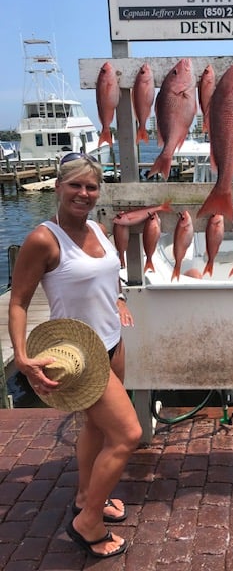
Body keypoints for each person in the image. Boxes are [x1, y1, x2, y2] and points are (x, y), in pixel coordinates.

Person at [8, 152, 143, 558]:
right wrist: (20, 353)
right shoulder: (43, 239)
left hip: (112, 342)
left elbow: (107, 275)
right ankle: (87, 524)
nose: (84, 193)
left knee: (97, 429)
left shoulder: (100, 230)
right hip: (81, 355)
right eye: (75, 185)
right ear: (58, 188)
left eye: (91, 186)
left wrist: (117, 299)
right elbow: (17, 301)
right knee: (128, 435)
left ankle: (88, 497)